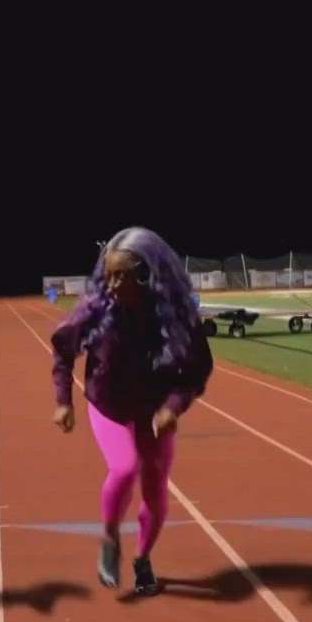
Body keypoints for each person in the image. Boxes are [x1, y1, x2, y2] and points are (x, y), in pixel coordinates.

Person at [51, 227, 214, 596]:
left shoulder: (175, 319)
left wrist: (174, 406)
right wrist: (63, 401)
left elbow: (197, 370)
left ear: (147, 276)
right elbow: (62, 350)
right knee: (124, 467)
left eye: (122, 275)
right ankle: (110, 538)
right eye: (108, 275)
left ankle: (143, 559)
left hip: (154, 412)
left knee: (156, 492)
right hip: (107, 404)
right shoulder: (96, 312)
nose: (112, 284)